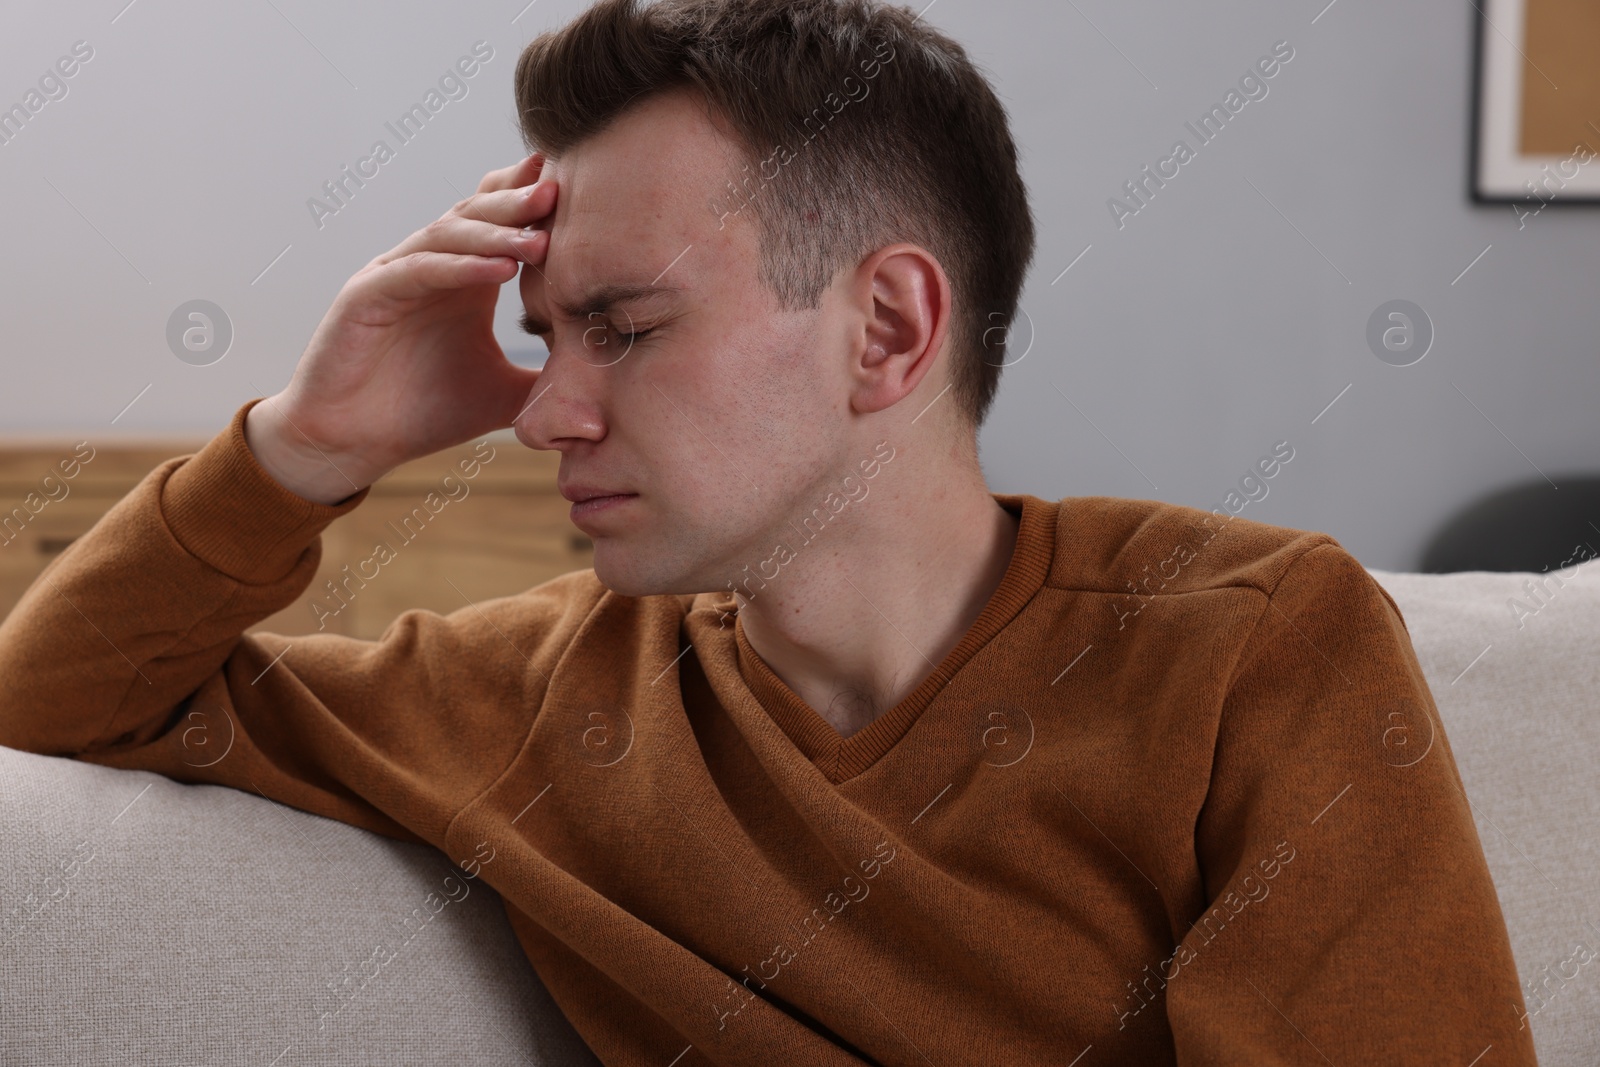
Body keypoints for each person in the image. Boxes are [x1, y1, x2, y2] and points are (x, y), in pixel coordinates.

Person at [0, 0, 1537, 1062]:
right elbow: (44, 708)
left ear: (886, 327)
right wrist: (309, 444)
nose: (542, 414)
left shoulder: (1254, 643)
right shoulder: (534, 696)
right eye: (545, 337)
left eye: (621, 326)